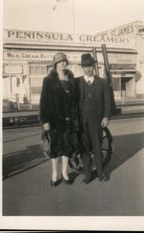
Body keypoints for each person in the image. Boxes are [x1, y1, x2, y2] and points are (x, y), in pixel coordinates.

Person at [39, 52, 77, 187]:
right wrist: (45, 121)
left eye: (64, 61)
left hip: (68, 119)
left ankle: (64, 173)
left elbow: (75, 100)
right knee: (54, 148)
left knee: (67, 147)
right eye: (60, 62)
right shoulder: (48, 80)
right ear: (55, 64)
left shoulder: (71, 78)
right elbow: (44, 102)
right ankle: (54, 173)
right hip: (54, 120)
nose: (63, 64)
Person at [75, 53, 111, 183]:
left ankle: (101, 173)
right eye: (85, 66)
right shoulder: (76, 82)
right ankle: (88, 175)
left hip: (96, 121)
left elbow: (107, 102)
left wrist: (106, 116)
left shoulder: (102, 82)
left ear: (94, 67)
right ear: (82, 68)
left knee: (97, 147)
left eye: (90, 66)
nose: (88, 69)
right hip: (81, 121)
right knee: (84, 149)